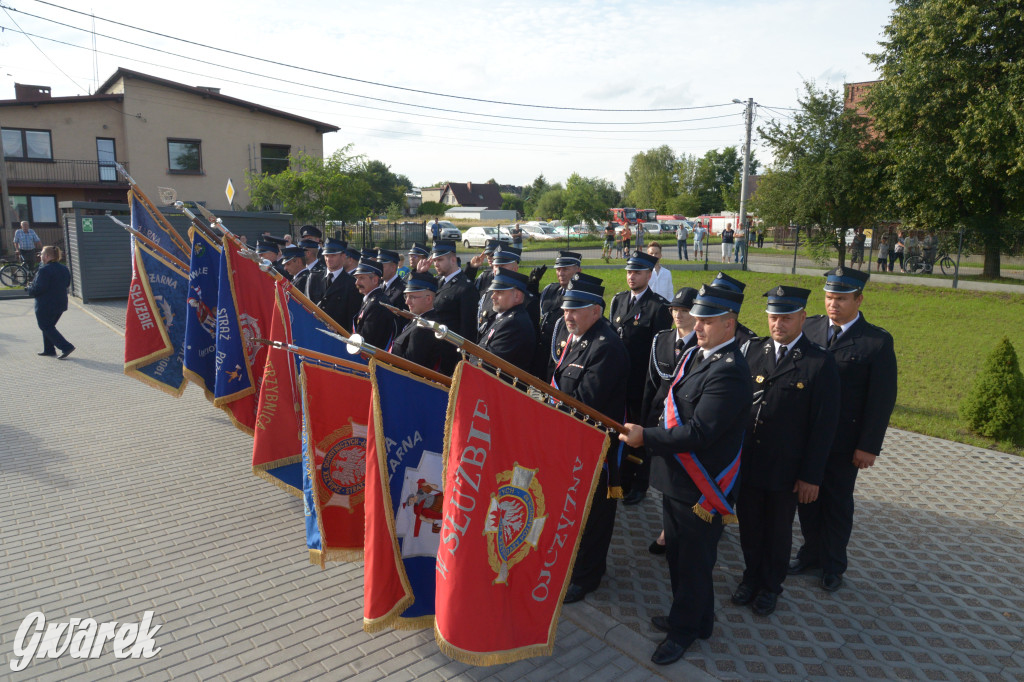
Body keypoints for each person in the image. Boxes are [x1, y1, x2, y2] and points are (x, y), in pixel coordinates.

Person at [619, 283, 752, 666]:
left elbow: (700, 432)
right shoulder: (699, 354)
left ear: (730, 324)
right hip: (677, 479)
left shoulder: (729, 370)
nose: (699, 324)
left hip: (701, 486)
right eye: (699, 318)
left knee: (692, 562)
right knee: (679, 557)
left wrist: (647, 437)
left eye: (708, 320)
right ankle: (699, 619)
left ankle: (683, 631)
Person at [733, 286, 840, 617]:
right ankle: (751, 576)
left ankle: (770, 586)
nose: (778, 324)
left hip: (786, 468)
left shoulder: (819, 363)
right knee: (749, 526)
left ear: (803, 318)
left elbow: (824, 428)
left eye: (787, 317)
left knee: (777, 531)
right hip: (750, 463)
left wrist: (811, 476)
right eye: (773, 316)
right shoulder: (753, 352)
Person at [790, 267, 897, 592]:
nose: (833, 304)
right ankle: (810, 553)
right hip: (807, 437)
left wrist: (869, 446)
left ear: (859, 299)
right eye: (829, 297)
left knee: (836, 502)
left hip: (843, 442)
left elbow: (881, 400)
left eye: (841, 298)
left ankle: (833, 564)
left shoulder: (875, 341)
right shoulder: (809, 327)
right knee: (806, 498)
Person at [553, 273, 629, 605]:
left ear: (596, 311)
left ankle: (587, 576)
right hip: (571, 440)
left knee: (595, 512)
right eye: (566, 310)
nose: (567, 316)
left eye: (576, 310)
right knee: (575, 507)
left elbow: (586, 401)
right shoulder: (580, 338)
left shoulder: (606, 346)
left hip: (595, 444)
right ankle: (574, 562)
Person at [609, 251, 672, 506]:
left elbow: (661, 350)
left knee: (639, 434)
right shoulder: (619, 300)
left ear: (648, 274)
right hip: (619, 381)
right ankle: (620, 478)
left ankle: (638, 484)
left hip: (641, 383)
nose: (631, 277)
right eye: (628, 272)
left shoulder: (658, 307)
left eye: (637, 272)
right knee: (619, 431)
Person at [641, 286, 699, 555]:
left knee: (688, 476)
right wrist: (646, 420)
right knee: (667, 477)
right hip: (662, 418)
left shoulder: (702, 344)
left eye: (685, 310)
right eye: (675, 310)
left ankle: (692, 525)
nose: (678, 315)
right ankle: (668, 528)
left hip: (687, 420)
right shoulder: (661, 340)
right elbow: (652, 384)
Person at [391, 272, 459, 375]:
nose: (407, 302)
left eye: (412, 297)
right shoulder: (420, 320)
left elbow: (410, 367)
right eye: (406, 297)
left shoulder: (424, 327)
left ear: (428, 299)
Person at [534, 250, 581, 380]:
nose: (560, 273)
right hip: (541, 354)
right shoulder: (550, 290)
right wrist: (531, 288)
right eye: (558, 269)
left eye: (565, 269)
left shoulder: (582, 297)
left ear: (578, 270)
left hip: (561, 356)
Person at [478, 269, 536, 371]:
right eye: (493, 292)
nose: (493, 296)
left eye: (499, 292)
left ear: (517, 296)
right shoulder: (504, 317)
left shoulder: (514, 323)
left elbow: (489, 363)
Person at [26, 245, 74, 359]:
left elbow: (38, 288)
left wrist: (29, 289)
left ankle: (66, 347)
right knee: (49, 326)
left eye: (42, 254)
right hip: (60, 304)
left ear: (47, 256)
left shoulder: (44, 270)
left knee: (45, 326)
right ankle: (49, 349)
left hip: (45, 305)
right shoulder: (64, 268)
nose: (40, 256)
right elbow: (67, 284)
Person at [428, 240, 479, 342]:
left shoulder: (466, 288)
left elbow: (467, 329)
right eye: (434, 260)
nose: (436, 264)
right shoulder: (438, 281)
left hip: (449, 349)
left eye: (440, 260)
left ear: (453, 260)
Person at [314, 239, 362, 332]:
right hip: (314, 333)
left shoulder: (352, 284)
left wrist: (341, 332)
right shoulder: (314, 278)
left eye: (333, 255)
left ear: (343, 256)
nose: (328, 259)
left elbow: (351, 318)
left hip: (337, 337)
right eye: (326, 255)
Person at [351, 258, 398, 349]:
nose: (357, 282)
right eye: (357, 278)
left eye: (361, 278)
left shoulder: (377, 304)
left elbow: (368, 341)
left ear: (375, 280)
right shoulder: (371, 300)